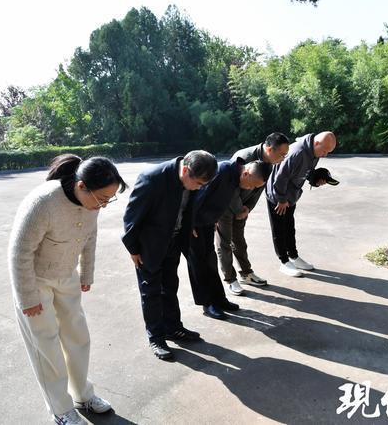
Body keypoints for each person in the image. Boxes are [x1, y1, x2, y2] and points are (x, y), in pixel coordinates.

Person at [9, 154, 127, 425]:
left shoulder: (91, 205)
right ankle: (60, 409)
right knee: (46, 345)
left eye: (110, 200)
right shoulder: (43, 202)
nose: (103, 206)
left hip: (66, 276)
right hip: (35, 281)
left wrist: (87, 273)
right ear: (82, 186)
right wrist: (27, 298)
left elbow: (90, 239)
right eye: (102, 199)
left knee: (78, 336)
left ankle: (83, 395)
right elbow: (19, 254)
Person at [122, 150, 217, 361]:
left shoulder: (192, 179)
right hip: (150, 246)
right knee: (151, 292)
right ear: (185, 170)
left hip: (173, 242)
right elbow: (131, 216)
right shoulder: (153, 178)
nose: (199, 188)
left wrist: (188, 226)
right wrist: (133, 249)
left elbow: (187, 207)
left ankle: (173, 328)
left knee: (170, 287)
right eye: (199, 184)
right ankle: (156, 338)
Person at [187, 159, 271, 319]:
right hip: (194, 222)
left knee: (210, 259)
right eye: (252, 185)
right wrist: (189, 222)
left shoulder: (236, 177)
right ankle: (207, 303)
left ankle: (219, 299)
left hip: (207, 221)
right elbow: (198, 194)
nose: (251, 189)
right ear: (246, 173)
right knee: (198, 262)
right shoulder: (222, 171)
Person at [216, 132, 290, 296]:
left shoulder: (269, 164)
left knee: (240, 241)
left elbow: (258, 190)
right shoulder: (243, 157)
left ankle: (246, 274)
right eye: (282, 154)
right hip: (227, 207)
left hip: (242, 208)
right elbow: (230, 186)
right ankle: (230, 279)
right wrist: (238, 210)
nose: (284, 158)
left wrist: (247, 209)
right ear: (270, 149)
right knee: (224, 243)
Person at [266, 132, 337, 277]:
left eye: (328, 152)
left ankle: (293, 256)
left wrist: (315, 180)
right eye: (324, 151)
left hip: (291, 195)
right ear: (316, 143)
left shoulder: (314, 153)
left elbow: (305, 172)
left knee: (289, 227)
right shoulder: (297, 152)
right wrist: (281, 199)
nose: (325, 155)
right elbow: (280, 176)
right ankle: (284, 262)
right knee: (279, 229)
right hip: (278, 195)